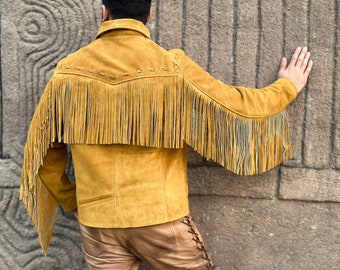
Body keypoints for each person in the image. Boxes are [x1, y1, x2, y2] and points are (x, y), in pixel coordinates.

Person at [20, 0, 313, 269]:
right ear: (149, 15)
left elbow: (42, 153)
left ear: (104, 12)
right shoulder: (171, 67)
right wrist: (286, 87)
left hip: (99, 225)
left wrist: (72, 200)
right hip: (162, 221)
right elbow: (239, 109)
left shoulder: (67, 73)